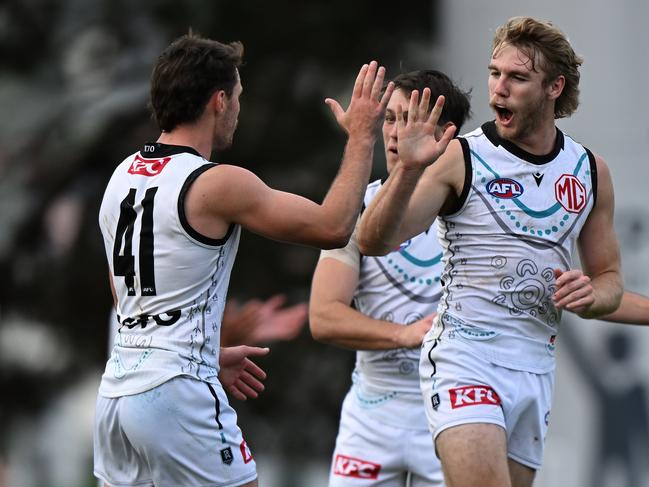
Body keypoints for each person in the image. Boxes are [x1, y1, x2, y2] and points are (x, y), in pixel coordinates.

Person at [94, 33, 394, 487]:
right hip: (176, 394)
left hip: (116, 397)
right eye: (237, 96)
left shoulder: (121, 177)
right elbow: (332, 227)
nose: (238, 107)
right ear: (218, 101)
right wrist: (361, 137)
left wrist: (204, 354)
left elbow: (127, 297)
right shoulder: (217, 184)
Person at [357, 16, 624, 487]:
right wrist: (407, 171)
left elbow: (610, 282)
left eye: (517, 78)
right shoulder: (461, 157)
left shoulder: (589, 171)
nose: (498, 90)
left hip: (535, 367)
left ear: (554, 87)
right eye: (494, 73)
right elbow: (374, 240)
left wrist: (592, 293)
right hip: (465, 358)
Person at [309, 70, 471, 487]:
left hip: (451, 409)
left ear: (445, 136)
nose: (396, 133)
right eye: (390, 118)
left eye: (411, 120)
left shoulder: (473, 215)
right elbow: (324, 317)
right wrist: (403, 334)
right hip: (371, 413)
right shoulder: (356, 210)